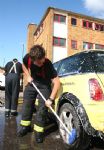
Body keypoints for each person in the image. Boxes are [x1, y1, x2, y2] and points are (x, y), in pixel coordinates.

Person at [18, 45, 60, 143]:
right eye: (39, 62)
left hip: (45, 85)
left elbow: (57, 81)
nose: (42, 62)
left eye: (43, 60)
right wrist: (27, 75)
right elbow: (23, 65)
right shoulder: (27, 58)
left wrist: (51, 99)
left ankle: (38, 131)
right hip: (32, 83)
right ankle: (25, 126)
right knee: (27, 104)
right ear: (32, 60)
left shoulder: (48, 64)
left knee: (42, 109)